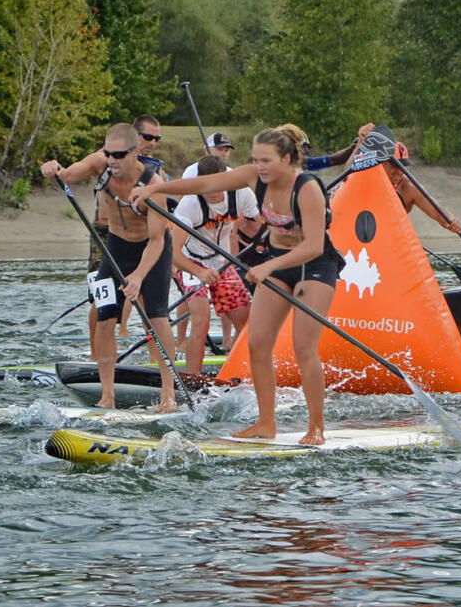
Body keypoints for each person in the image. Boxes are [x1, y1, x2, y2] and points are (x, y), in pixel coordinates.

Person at [132, 125, 344, 445]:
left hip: (315, 267)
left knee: (303, 347)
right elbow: (205, 182)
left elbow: (314, 245)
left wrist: (268, 265)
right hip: (277, 264)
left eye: (267, 160)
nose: (259, 167)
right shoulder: (253, 177)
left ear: (287, 159)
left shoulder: (307, 187)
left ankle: (316, 428)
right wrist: (154, 189)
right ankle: (265, 423)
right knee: (257, 345)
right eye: (255, 159)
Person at [41, 123, 180, 410]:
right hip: (115, 247)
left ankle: (169, 393)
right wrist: (53, 172)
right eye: (109, 154)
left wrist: (138, 277)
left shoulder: (154, 185)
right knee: (105, 317)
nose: (112, 161)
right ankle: (107, 395)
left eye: (119, 155)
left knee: (156, 315)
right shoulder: (100, 164)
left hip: (151, 250)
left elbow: (156, 241)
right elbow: (63, 181)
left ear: (135, 152)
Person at [170, 155, 260, 366]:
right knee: (201, 321)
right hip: (192, 262)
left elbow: (262, 226)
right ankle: (193, 380)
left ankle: (234, 371)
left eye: (217, 185)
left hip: (223, 262)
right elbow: (172, 252)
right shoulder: (189, 205)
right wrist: (199, 272)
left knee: (247, 324)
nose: (212, 192)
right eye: (205, 185)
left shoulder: (242, 194)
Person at [386, 141, 461, 234]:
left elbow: (436, 210)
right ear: (381, 164)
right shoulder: (369, 179)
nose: (399, 171)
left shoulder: (410, 187)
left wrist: (451, 222)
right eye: (394, 166)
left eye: (402, 166)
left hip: (392, 236)